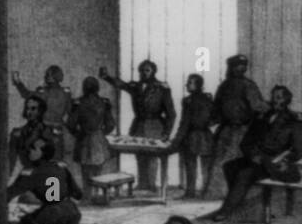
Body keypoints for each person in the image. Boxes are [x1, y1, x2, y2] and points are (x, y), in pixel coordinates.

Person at [212, 85, 302, 222]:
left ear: (287, 100)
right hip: (256, 159)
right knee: (229, 166)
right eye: (273, 97)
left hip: (274, 164)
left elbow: (299, 151)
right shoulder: (261, 117)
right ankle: (242, 205)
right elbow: (245, 143)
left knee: (245, 174)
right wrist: (253, 155)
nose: (275, 101)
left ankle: (226, 211)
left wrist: (282, 160)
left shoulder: (294, 120)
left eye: (279, 97)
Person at [7, 136, 84, 224]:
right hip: (71, 211)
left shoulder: (31, 172)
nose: (29, 150)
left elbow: (11, 193)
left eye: (33, 148)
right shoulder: (61, 166)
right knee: (30, 218)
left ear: (42, 153)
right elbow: (78, 193)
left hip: (52, 215)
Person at [101, 59, 176, 191]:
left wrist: (166, 133)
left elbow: (171, 113)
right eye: (141, 71)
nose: (143, 73)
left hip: (155, 126)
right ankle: (143, 183)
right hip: (138, 125)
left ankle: (152, 185)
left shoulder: (162, 88)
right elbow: (121, 84)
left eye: (147, 70)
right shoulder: (136, 87)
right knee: (140, 155)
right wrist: (107, 77)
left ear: (153, 71)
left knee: (152, 157)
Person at [207, 54, 267, 198]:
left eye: (243, 65)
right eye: (237, 65)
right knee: (219, 161)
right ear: (232, 67)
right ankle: (216, 194)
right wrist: (211, 121)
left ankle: (235, 195)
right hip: (226, 130)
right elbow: (217, 107)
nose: (240, 68)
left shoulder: (249, 85)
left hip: (242, 131)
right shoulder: (224, 85)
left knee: (236, 162)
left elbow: (258, 106)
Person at [13, 65, 72, 161]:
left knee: (40, 158)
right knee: (56, 159)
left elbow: (26, 94)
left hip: (43, 130)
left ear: (51, 77)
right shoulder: (66, 92)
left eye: (47, 75)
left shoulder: (43, 91)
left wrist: (18, 82)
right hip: (58, 130)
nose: (45, 77)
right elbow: (70, 111)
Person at [170, 73, 215, 198]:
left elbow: (184, 123)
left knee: (192, 165)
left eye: (190, 82)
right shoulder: (208, 98)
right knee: (203, 166)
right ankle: (205, 192)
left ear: (198, 85)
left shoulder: (188, 101)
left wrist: (176, 140)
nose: (187, 84)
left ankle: (191, 192)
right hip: (205, 136)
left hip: (193, 136)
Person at [66, 75, 116, 184]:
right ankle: (96, 195)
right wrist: (100, 133)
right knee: (98, 170)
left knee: (85, 171)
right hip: (99, 140)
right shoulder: (104, 102)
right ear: (97, 88)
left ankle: (87, 197)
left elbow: (70, 124)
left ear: (84, 88)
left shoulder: (78, 103)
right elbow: (111, 124)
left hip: (84, 139)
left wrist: (79, 134)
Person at [8, 93, 49, 176]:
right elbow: (11, 159)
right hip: (25, 173)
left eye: (33, 109)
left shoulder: (47, 131)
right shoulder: (17, 132)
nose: (29, 112)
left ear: (40, 111)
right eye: (27, 108)